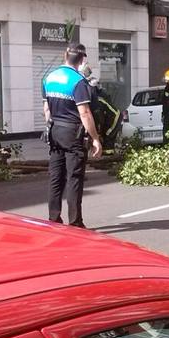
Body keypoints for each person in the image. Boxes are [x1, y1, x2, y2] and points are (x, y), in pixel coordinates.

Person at [43, 44, 102, 228]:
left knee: (56, 177)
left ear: (65, 55)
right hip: (72, 132)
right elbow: (84, 113)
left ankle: (54, 218)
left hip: (54, 130)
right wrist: (95, 138)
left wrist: (50, 127)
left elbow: (46, 108)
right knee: (74, 177)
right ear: (82, 59)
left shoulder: (49, 77)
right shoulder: (78, 81)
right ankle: (75, 223)